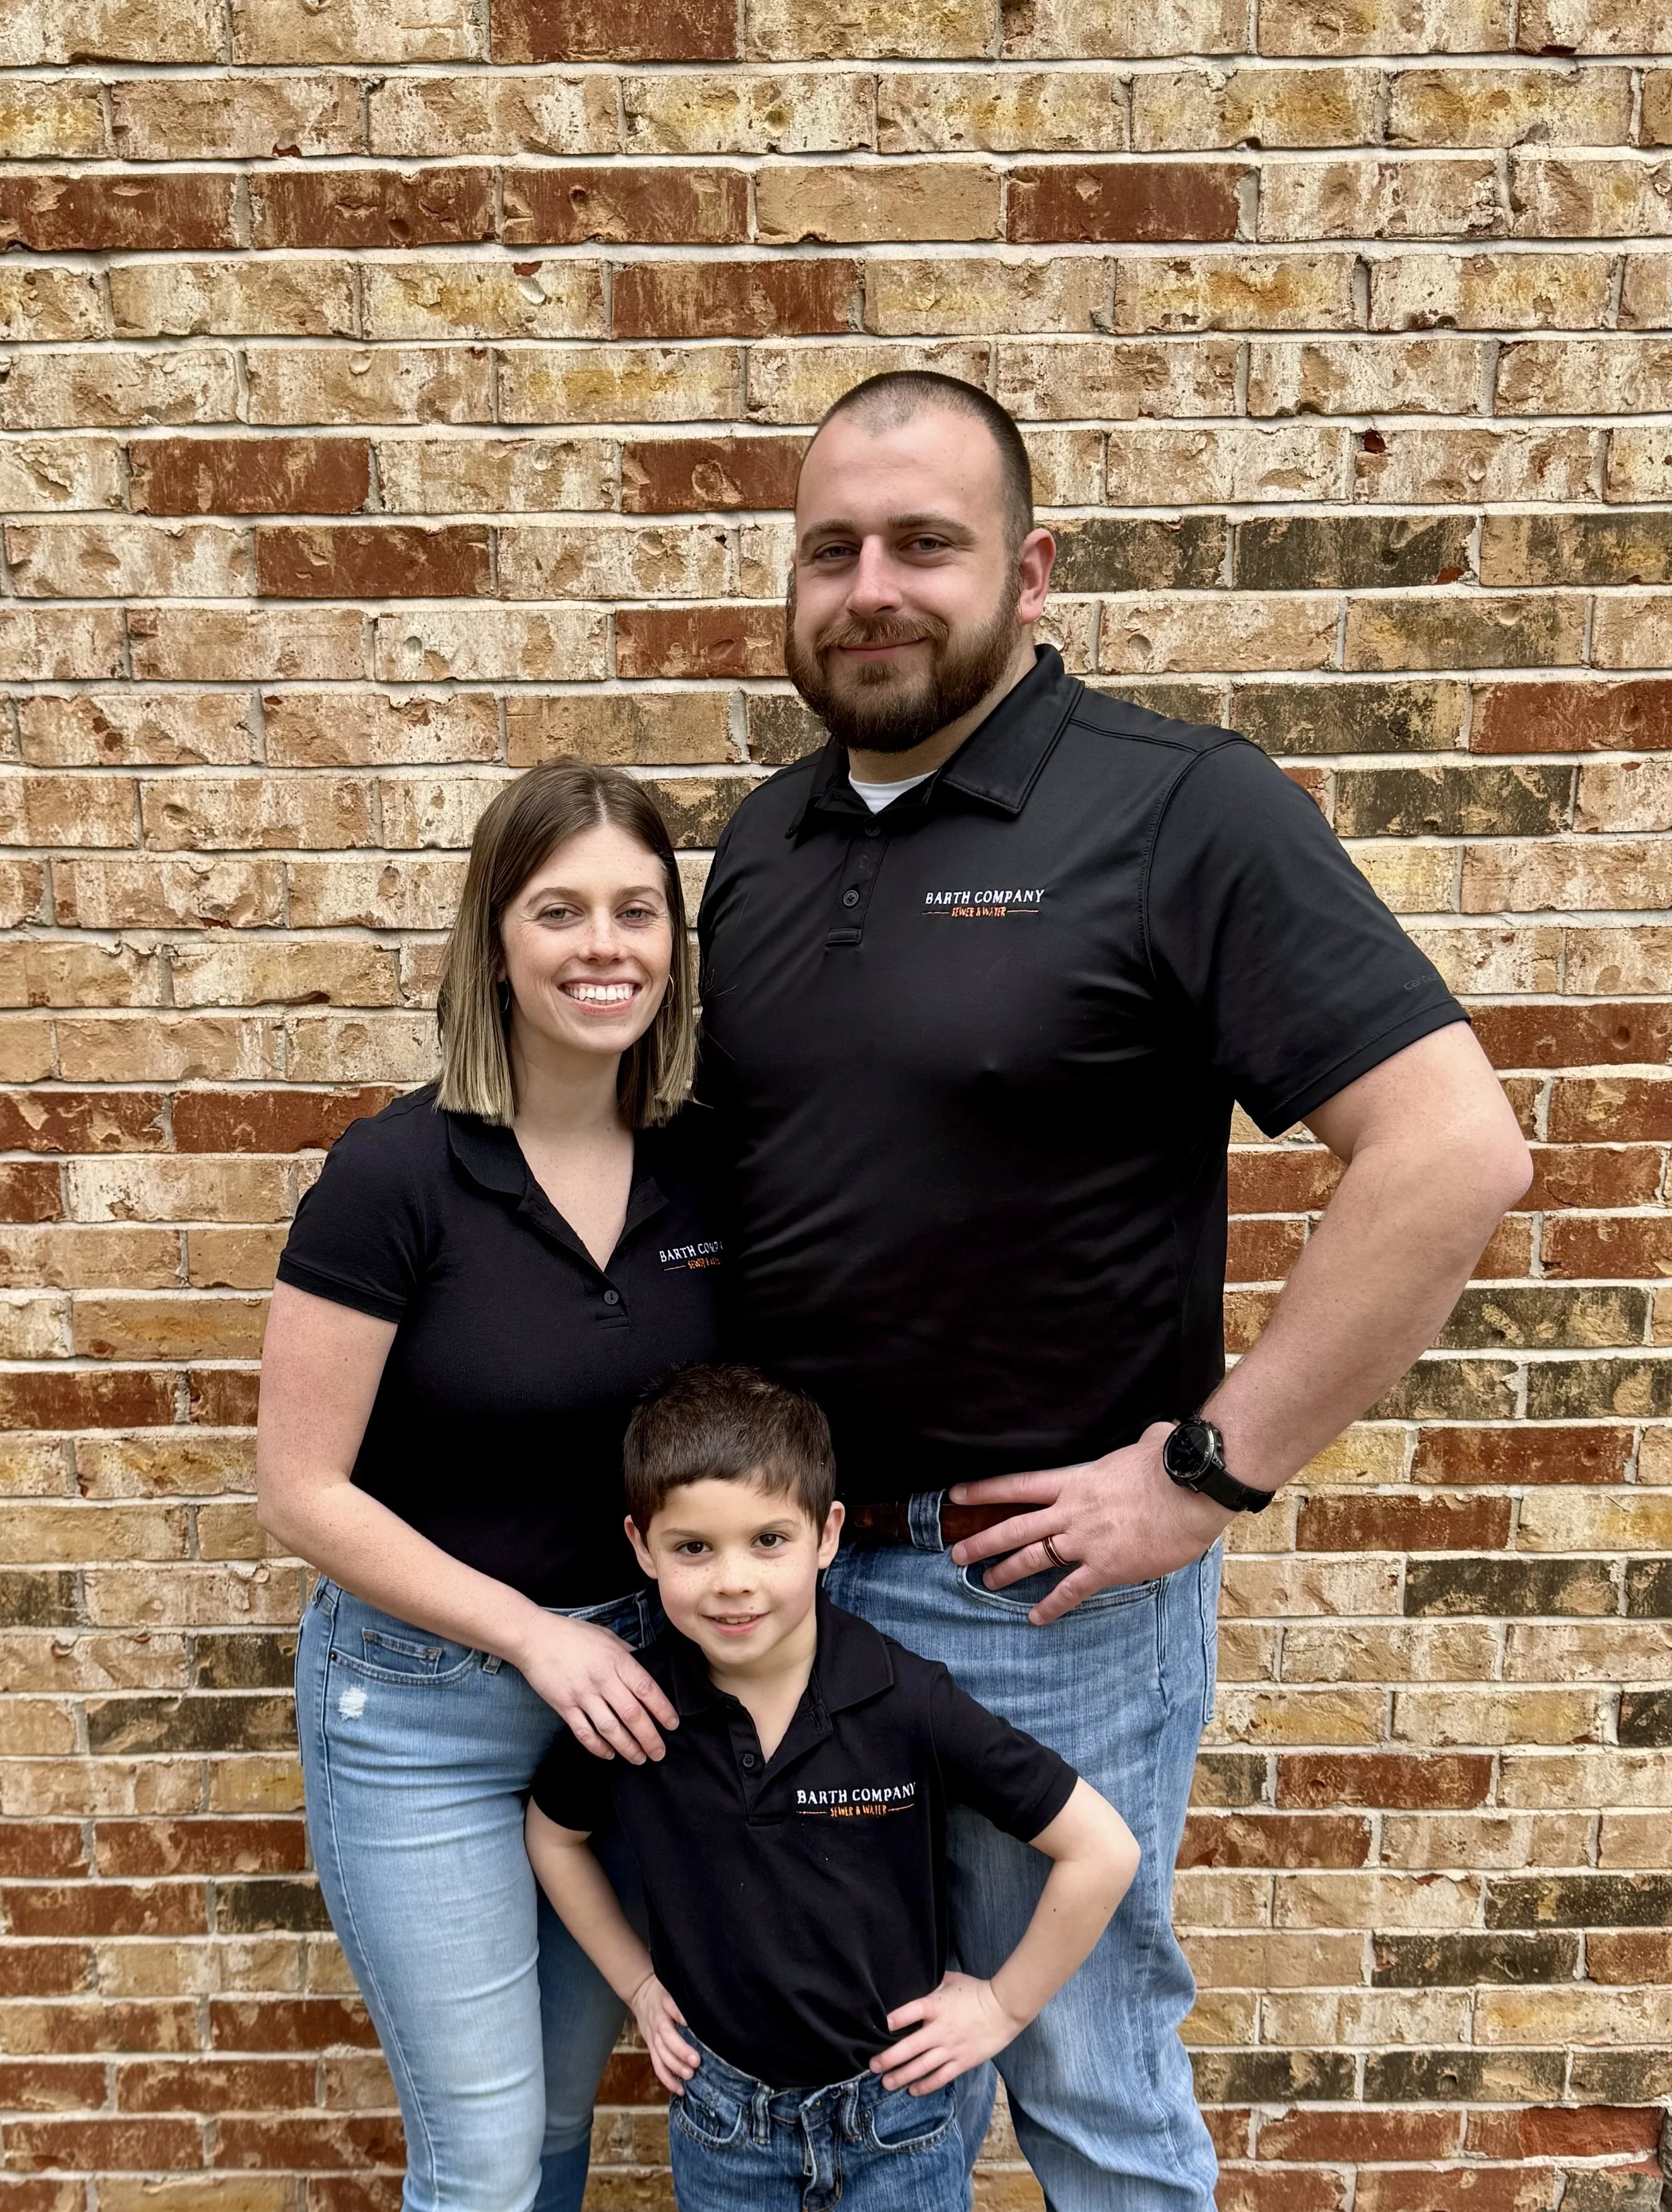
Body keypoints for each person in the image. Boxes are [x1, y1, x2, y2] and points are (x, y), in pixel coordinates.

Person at [694, 372, 1534, 2208]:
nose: (872, 587)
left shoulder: (1178, 806)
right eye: (830, 548)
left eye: (927, 543)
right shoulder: (762, 848)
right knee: (841, 2067)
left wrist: (1205, 1473)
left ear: (1031, 570)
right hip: (784, 1598)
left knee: (1080, 2073)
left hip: (1037, 1596)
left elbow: (1449, 1149)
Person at [256, 761, 724, 2212]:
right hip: (421, 1715)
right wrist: (531, 1632)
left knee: (548, 2140)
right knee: (476, 2152)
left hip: (632, 1713)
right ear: (495, 938)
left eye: (637, 909)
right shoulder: (393, 1176)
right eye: (559, 909)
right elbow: (299, 1487)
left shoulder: (710, 1166)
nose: (605, 945)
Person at [524, 1364, 1140, 2212]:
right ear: (640, 1544)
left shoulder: (904, 1696)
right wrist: (636, 1982)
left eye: (768, 1540)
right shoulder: (637, 1705)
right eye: (693, 1547)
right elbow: (554, 1834)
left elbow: (1102, 1847)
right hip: (723, 2128)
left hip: (896, 2127)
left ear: (827, 1533)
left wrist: (1002, 2005)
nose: (732, 1579)